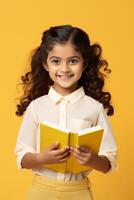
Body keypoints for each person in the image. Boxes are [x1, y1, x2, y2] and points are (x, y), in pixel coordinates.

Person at [14, 25, 118, 200]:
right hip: (41, 190)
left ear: (84, 63)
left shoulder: (94, 108)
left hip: (79, 192)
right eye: (56, 61)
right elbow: (22, 158)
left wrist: (91, 159)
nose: (65, 69)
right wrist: (42, 158)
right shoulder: (36, 107)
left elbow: (109, 163)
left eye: (73, 61)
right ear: (45, 64)